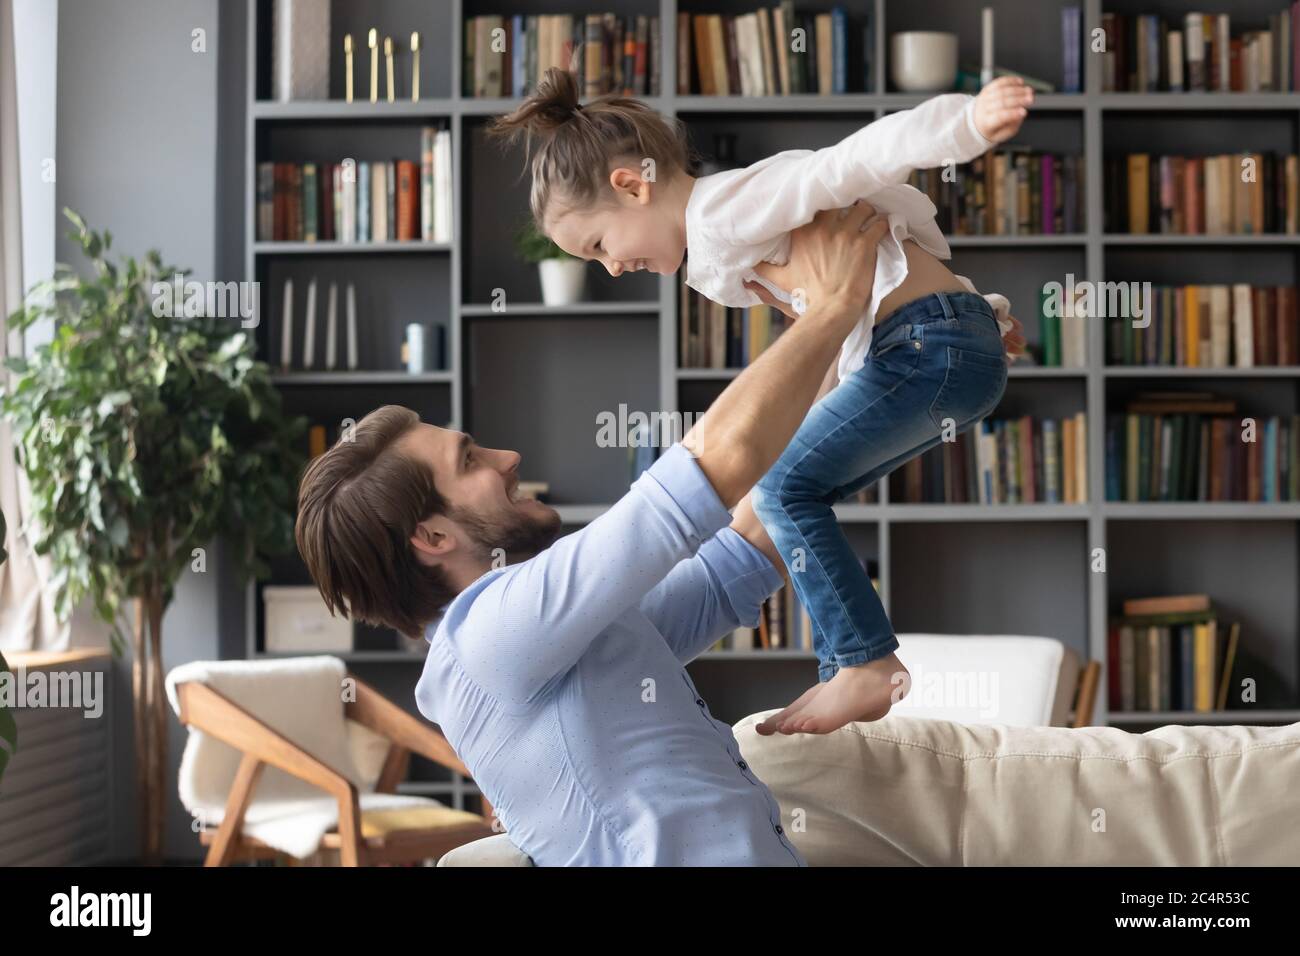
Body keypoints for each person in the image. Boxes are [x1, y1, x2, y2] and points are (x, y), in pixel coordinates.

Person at [296, 204, 932, 865]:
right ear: (430, 537)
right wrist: (833, 305)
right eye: (469, 461)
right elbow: (708, 473)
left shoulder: (557, 642)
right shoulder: (487, 638)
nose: (507, 459)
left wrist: (869, 355)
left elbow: (745, 542)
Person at [491, 68, 1031, 734]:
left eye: (600, 245)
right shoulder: (719, 259)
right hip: (942, 344)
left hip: (926, 343)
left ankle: (862, 664)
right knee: (791, 489)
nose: (611, 267)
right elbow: (848, 315)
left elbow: (848, 164)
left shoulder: (726, 208)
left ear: (632, 186)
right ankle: (848, 665)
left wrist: (966, 123)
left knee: (780, 492)